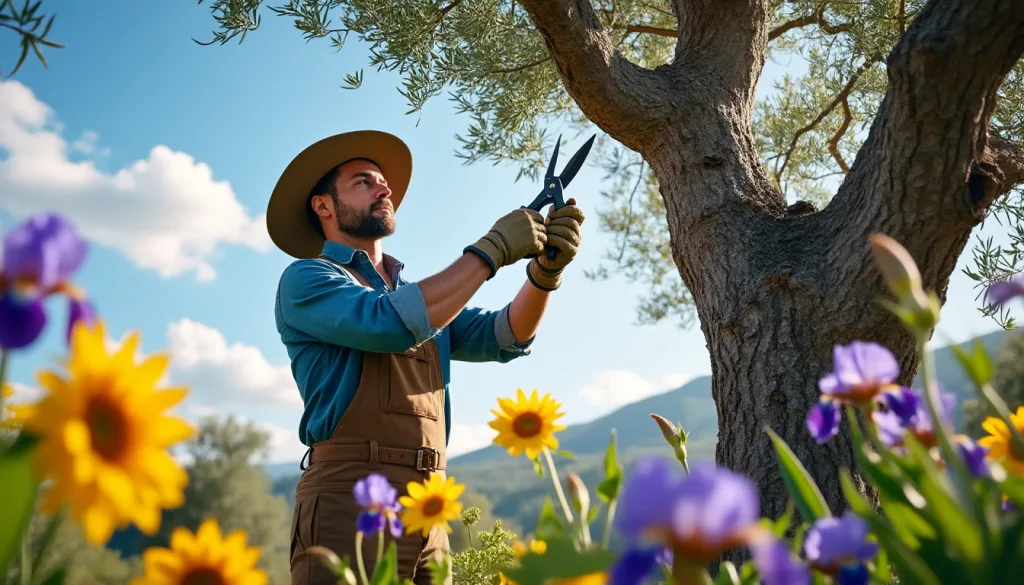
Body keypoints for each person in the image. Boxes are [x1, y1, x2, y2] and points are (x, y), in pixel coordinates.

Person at [267, 130, 585, 585]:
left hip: (429, 503)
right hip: (351, 497)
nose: (384, 188)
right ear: (323, 206)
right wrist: (491, 250)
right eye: (363, 181)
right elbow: (388, 323)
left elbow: (506, 334)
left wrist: (544, 273)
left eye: (383, 182)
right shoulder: (307, 278)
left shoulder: (416, 295)